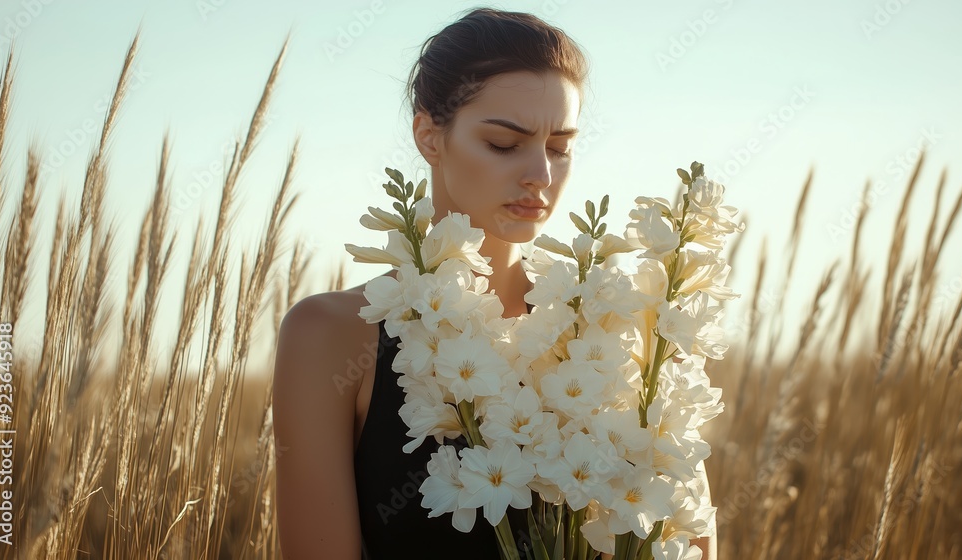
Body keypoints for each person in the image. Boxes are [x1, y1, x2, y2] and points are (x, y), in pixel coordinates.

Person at [273, 7, 716, 559]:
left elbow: (689, 539)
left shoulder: (622, 327)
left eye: (559, 148)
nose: (541, 176)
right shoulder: (331, 335)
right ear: (429, 136)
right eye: (505, 144)